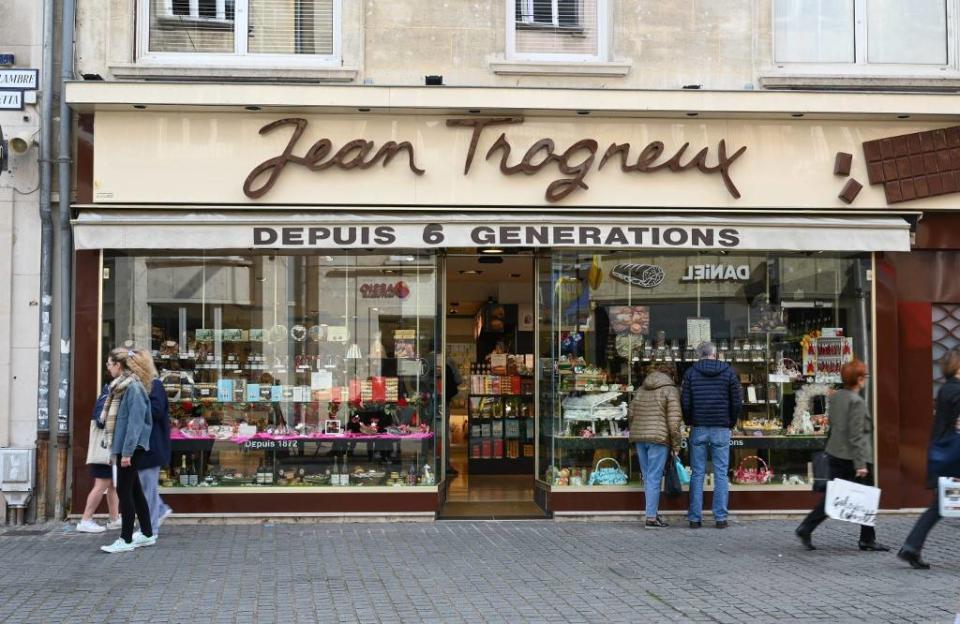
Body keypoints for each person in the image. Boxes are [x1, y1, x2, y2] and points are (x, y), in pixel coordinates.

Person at [795, 359, 889, 551]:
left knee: (834, 496)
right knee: (866, 497)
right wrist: (861, 464)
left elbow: (833, 425)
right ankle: (867, 540)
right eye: (864, 376)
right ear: (859, 379)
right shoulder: (857, 402)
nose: (866, 379)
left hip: (836, 453)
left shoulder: (837, 397)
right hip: (853, 457)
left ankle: (807, 527)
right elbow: (855, 435)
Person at [897, 347, 960, 569]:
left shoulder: (946, 390)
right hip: (954, 458)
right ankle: (910, 547)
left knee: (938, 506)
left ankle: (911, 547)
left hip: (945, 454)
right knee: (939, 505)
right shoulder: (957, 391)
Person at [99, 347, 156, 554]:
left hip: (130, 447)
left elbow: (135, 422)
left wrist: (127, 452)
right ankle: (147, 534)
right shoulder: (123, 387)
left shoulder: (132, 388)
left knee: (124, 490)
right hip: (127, 447)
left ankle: (126, 538)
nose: (107, 367)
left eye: (109, 363)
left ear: (119, 365)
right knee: (134, 490)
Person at [681, 341, 741, 529]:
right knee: (721, 473)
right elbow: (736, 402)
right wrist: (730, 422)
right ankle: (720, 518)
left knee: (697, 473)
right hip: (721, 428)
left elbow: (686, 402)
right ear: (715, 354)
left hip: (698, 427)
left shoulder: (691, 373)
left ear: (700, 355)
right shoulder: (728, 372)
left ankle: (694, 518)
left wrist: (690, 420)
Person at [629, 364, 682, 528]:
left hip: (640, 437)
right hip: (658, 438)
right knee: (654, 478)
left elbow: (631, 414)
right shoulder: (670, 390)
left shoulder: (641, 389)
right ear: (671, 376)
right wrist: (676, 444)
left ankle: (652, 514)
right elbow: (674, 422)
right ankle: (651, 518)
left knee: (647, 477)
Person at [131, 348, 173, 535]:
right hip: (143, 446)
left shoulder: (154, 386)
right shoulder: (144, 386)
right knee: (146, 487)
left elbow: (155, 411)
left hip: (151, 446)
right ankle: (160, 511)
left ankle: (150, 529)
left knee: (146, 489)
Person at [76, 383, 121, 533]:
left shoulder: (108, 394)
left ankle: (114, 519)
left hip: (109, 449)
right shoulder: (108, 395)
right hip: (105, 449)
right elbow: (100, 420)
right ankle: (86, 519)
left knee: (112, 485)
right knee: (101, 485)